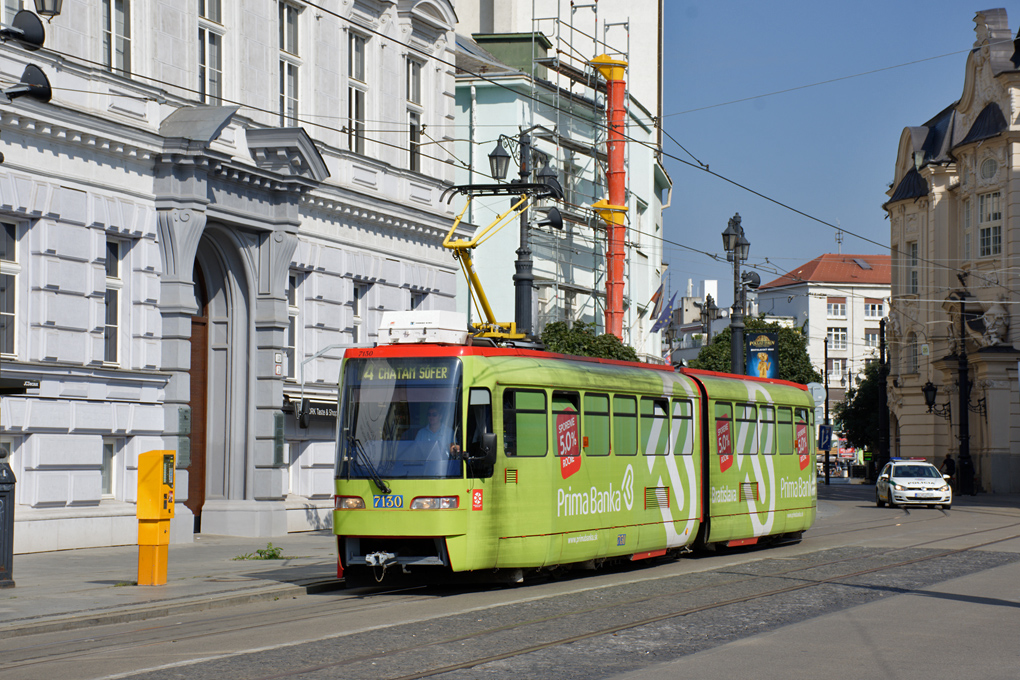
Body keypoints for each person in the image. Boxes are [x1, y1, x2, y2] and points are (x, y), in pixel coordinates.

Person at [415, 405, 461, 475]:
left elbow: (453, 449)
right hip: (425, 470)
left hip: (444, 469)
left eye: (434, 414)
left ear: (440, 416)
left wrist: (455, 449)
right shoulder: (421, 433)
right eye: (429, 415)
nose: (431, 417)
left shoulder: (448, 431)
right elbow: (415, 452)